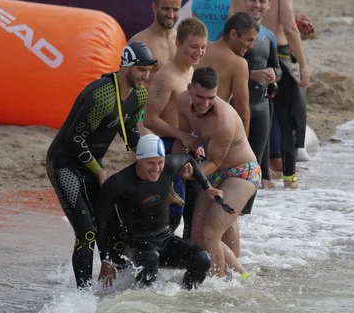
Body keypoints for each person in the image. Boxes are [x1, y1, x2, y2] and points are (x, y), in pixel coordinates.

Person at [46, 42, 156, 288]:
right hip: (65, 162)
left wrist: (150, 159)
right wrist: (99, 171)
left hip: (93, 163)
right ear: (125, 66)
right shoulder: (102, 95)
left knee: (115, 225)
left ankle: (121, 290)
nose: (145, 76)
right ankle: (81, 297)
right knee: (87, 231)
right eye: (141, 69)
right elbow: (74, 139)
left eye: (148, 70)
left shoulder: (140, 94)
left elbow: (129, 131)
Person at [95, 134, 225, 289]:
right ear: (138, 159)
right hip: (136, 245)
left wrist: (207, 187)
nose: (156, 169)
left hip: (165, 238)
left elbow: (188, 158)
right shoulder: (118, 183)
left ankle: (185, 298)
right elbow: (101, 222)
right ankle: (141, 303)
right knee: (150, 259)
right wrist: (107, 260)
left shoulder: (169, 166)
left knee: (202, 259)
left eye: (160, 162)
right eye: (150, 163)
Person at [178, 67, 260, 278]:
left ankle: (218, 286)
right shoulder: (182, 103)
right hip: (213, 172)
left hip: (242, 172)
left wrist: (189, 174)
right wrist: (175, 168)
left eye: (211, 98)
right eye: (200, 97)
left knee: (211, 232)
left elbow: (215, 160)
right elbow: (184, 140)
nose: (205, 104)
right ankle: (241, 275)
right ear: (189, 89)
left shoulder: (223, 120)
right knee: (198, 236)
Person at [143, 17, 208, 231]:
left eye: (202, 47)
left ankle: (185, 262)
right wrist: (181, 135)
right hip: (170, 149)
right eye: (193, 47)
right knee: (173, 212)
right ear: (178, 44)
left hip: (190, 149)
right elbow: (149, 119)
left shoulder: (192, 71)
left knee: (195, 211)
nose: (198, 52)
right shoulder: (165, 77)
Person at [241, 0, 281, 189]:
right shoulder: (234, 30)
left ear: (269, 5)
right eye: (252, 0)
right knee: (237, 157)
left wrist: (274, 74)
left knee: (255, 163)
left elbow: (277, 68)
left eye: (262, 1)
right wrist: (251, 75)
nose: (256, 5)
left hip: (262, 105)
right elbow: (222, 67)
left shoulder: (269, 36)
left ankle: (254, 215)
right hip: (239, 104)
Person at [130, 0, 182, 83]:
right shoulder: (139, 42)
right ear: (154, 7)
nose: (171, 15)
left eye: (175, 10)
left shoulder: (183, 40)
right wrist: (160, 93)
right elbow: (128, 80)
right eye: (166, 9)